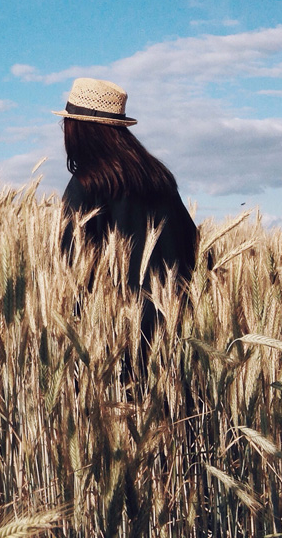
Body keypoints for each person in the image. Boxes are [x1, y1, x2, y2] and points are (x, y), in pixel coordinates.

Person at [56, 77, 198, 374]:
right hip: (178, 335)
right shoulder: (159, 178)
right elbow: (193, 247)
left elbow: (72, 271)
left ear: (79, 130)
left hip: (118, 342)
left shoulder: (87, 185)